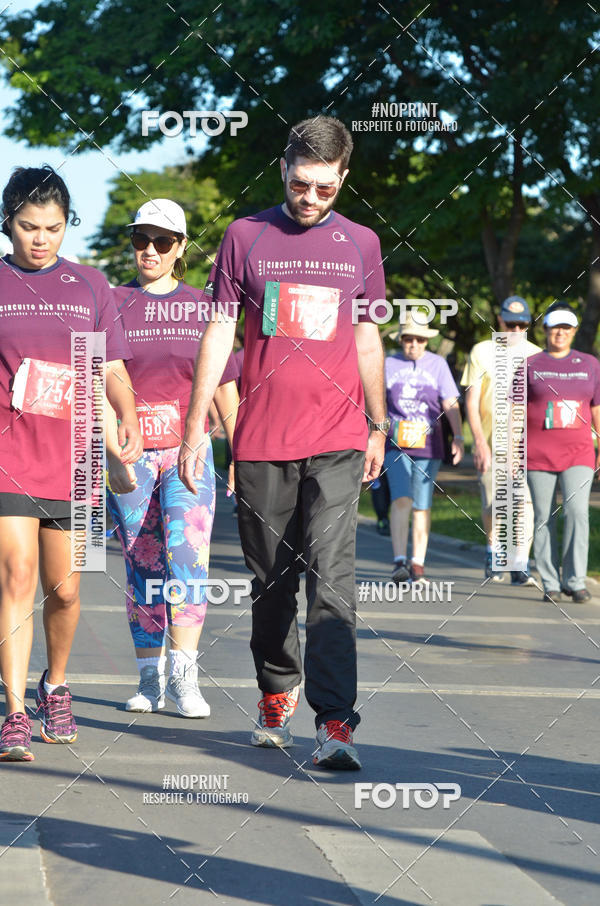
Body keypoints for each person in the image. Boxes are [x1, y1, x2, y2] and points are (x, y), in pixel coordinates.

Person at [179, 116, 388, 770]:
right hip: (263, 439)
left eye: (326, 189)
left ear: (343, 179)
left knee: (333, 583)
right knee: (272, 584)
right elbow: (219, 334)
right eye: (302, 184)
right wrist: (196, 428)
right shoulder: (245, 237)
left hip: (338, 437)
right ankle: (277, 689)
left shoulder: (362, 243)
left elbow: (366, 337)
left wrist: (378, 423)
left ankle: (335, 722)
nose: (311, 199)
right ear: (283, 168)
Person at [0, 165, 142, 762]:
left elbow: (106, 365)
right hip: (8, 455)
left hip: (76, 461)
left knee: (66, 590)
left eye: (53, 228)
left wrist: (126, 412)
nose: (40, 239)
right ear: (7, 223)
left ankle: (54, 684)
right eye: (28, 227)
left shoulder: (88, 285)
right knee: (16, 576)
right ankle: (12, 711)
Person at [107, 199, 239, 718]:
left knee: (187, 560)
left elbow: (225, 387)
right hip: (131, 453)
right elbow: (96, 378)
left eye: (163, 241)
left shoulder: (204, 305)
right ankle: (149, 680)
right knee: (143, 565)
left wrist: (240, 453)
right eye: (142, 239)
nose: (150, 250)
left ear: (181, 247)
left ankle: (186, 680)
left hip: (191, 451)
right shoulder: (111, 301)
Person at [461, 296, 541, 583]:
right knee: (494, 502)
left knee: (525, 503)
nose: (516, 330)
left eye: (522, 325)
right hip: (490, 439)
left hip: (525, 443)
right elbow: (471, 401)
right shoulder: (482, 351)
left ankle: (520, 562)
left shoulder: (538, 355)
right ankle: (494, 549)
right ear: (500, 322)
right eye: (511, 324)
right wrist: (479, 443)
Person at [525, 303, 600, 603]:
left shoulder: (590, 364)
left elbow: (597, 409)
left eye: (566, 328)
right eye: (555, 327)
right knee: (544, 516)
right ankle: (551, 582)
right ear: (545, 330)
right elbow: (515, 409)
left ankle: (575, 580)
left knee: (578, 513)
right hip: (538, 454)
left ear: (574, 331)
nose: (560, 333)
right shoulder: (530, 364)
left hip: (579, 452)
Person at [384, 313, 463, 585]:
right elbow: (375, 400)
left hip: (430, 444)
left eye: (419, 339)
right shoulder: (388, 363)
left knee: (422, 504)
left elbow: (450, 402)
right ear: (402, 340)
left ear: (426, 341)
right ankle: (398, 561)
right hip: (395, 444)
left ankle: (418, 563)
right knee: (401, 498)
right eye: (408, 339)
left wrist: (459, 436)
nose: (413, 344)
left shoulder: (438, 364)